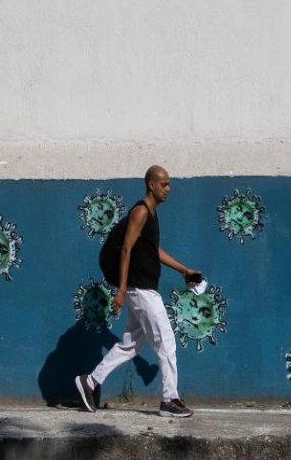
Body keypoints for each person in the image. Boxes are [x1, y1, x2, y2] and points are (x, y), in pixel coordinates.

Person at [75, 165, 201, 417]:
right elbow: (126, 250)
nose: (169, 188)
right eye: (164, 184)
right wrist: (121, 290)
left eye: (169, 183)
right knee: (166, 343)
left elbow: (153, 250)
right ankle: (169, 400)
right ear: (151, 185)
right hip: (141, 290)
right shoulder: (141, 212)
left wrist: (183, 270)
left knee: (130, 346)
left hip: (143, 288)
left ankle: (89, 382)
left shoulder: (152, 214)